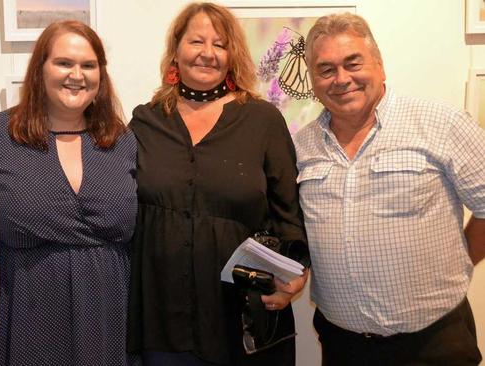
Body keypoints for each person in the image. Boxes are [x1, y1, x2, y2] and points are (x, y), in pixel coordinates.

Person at [294, 12, 485, 366]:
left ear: (379, 66)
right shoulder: (301, 147)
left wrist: (461, 261)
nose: (341, 79)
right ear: (313, 81)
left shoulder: (440, 123)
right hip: (343, 347)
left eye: (353, 63)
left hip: (434, 344)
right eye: (326, 69)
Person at [127, 3, 309, 365]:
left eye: (220, 44)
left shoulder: (262, 120)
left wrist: (295, 276)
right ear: (176, 50)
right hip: (163, 320)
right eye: (196, 41)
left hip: (242, 318)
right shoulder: (145, 121)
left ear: (232, 55)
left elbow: (289, 211)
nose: (207, 53)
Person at [0, 20, 137, 365]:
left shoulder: (121, 139)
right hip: (29, 315)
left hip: (109, 317)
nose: (77, 74)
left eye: (89, 65)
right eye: (64, 63)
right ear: (39, 69)